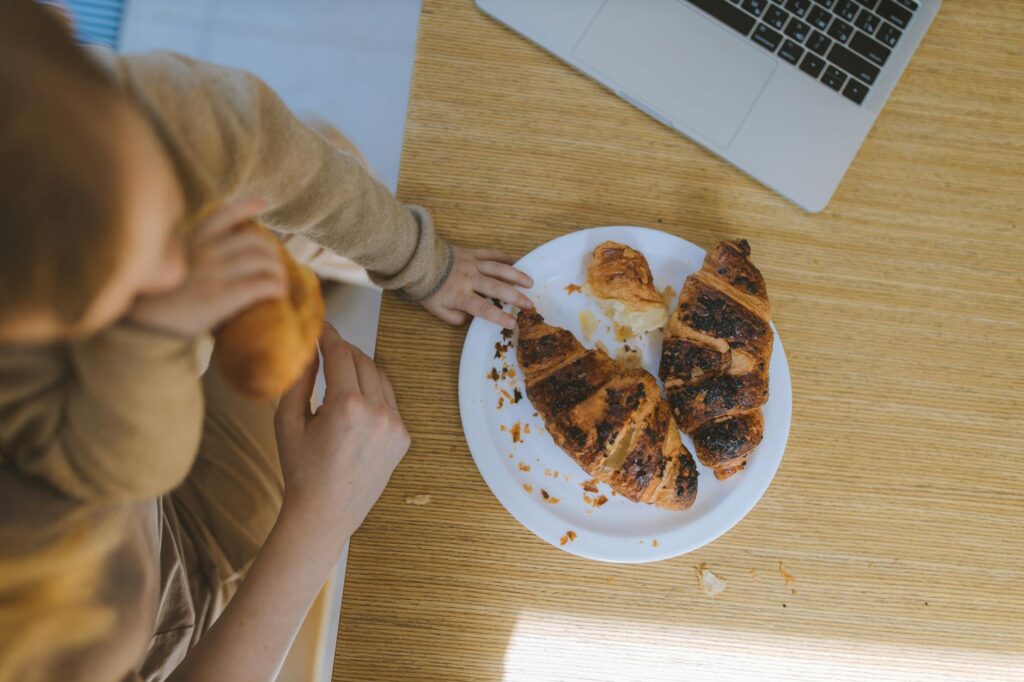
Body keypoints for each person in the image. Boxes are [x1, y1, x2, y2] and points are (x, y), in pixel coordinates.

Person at [0, 1, 534, 680]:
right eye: (125, 285)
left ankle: (325, 272)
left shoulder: (67, 107)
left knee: (324, 165)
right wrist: (320, 519)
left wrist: (422, 261)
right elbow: (119, 463)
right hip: (173, 612)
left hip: (128, 486)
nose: (175, 263)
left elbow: (259, 146)